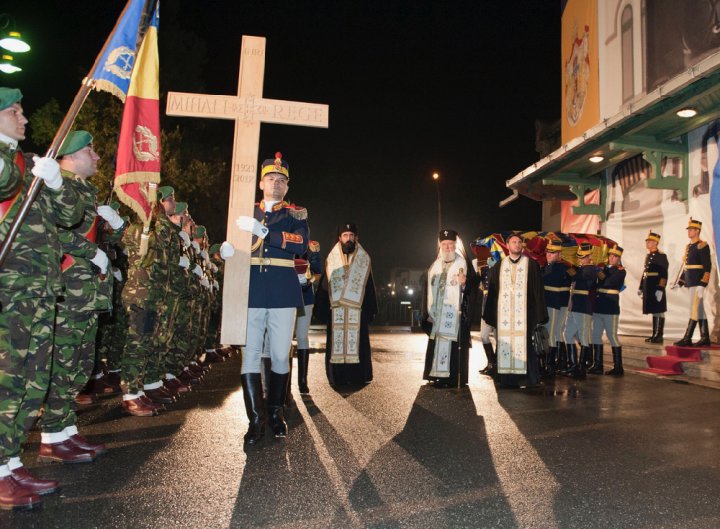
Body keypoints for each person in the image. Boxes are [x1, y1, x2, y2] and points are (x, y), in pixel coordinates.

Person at [0, 88, 82, 509]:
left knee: (32, 381)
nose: (24, 117)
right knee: (7, 377)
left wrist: (52, 180)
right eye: (14, 111)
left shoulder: (26, 164)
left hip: (39, 288)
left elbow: (69, 216)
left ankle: (10, 459)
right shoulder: (7, 163)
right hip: (10, 290)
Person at [39, 131, 124, 464]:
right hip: (68, 288)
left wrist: (115, 226)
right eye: (90, 150)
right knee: (63, 363)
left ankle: (65, 430)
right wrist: (91, 253)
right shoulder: (56, 186)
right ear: (71, 156)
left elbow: (102, 233)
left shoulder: (85, 191)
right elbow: (56, 231)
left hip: (87, 291)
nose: (97, 156)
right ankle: (51, 436)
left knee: (80, 365)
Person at [234, 152, 308, 444]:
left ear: (287, 187)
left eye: (281, 181)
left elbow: (300, 243)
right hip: (251, 290)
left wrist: (264, 232)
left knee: (279, 354)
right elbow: (229, 238)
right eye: (270, 179)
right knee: (249, 355)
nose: (275, 184)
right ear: (261, 182)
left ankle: (275, 414)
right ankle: (255, 421)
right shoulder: (245, 211)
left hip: (281, 290)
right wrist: (223, 250)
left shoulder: (295, 214)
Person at [314, 223, 378, 387]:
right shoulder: (332, 258)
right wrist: (320, 307)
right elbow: (324, 285)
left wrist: (370, 309)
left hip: (358, 311)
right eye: (345, 235)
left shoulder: (364, 258)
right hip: (336, 311)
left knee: (358, 344)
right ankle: (337, 377)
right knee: (336, 343)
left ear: (356, 238)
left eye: (351, 235)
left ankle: (357, 377)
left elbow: (369, 285)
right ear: (339, 238)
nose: (348, 238)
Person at [483, 232, 547, 388]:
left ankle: (525, 379)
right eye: (514, 242)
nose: (517, 245)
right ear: (508, 245)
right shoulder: (499, 266)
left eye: (519, 242)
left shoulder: (531, 265)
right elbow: (493, 292)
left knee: (525, 346)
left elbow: (538, 291)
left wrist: (539, 315)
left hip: (525, 316)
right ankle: (506, 380)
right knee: (504, 344)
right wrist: (490, 314)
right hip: (504, 317)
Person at [423, 229, 479, 388]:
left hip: (455, 312)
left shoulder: (463, 263)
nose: (447, 247)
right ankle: (436, 375)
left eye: (450, 244)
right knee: (437, 343)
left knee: (453, 346)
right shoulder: (435, 265)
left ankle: (452, 378)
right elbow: (428, 287)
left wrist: (464, 283)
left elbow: (473, 286)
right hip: (438, 312)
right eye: (444, 244)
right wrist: (428, 310)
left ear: (455, 245)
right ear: (440, 245)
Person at [673, 218, 713, 347]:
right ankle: (705, 337)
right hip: (691, 281)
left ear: (697, 231)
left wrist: (703, 284)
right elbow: (687, 268)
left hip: (697, 282)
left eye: (691, 229)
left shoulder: (702, 245)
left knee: (694, 310)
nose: (689, 231)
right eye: (688, 229)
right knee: (699, 309)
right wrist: (680, 282)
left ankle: (687, 337)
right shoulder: (689, 246)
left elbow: (707, 266)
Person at [562, 243, 598, 379]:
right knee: (568, 334)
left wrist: (572, 269)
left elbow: (584, 278)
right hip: (574, 305)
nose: (581, 260)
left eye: (583, 257)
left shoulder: (591, 269)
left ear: (589, 256)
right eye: (580, 257)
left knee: (584, 336)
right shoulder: (580, 269)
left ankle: (581, 367)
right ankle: (573, 365)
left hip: (583, 306)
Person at [592, 246, 627, 376]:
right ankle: (597, 365)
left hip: (610, 307)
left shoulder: (620, 271)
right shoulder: (603, 268)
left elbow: (608, 282)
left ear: (619, 259)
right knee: (595, 335)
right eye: (610, 255)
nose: (612, 258)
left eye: (615, 256)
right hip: (599, 305)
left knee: (612, 336)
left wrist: (599, 272)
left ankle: (618, 367)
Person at [294, 240, 322, 394]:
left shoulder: (311, 247)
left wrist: (309, 280)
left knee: (302, 336)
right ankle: (285, 385)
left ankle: (302, 381)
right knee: (283, 339)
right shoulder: (284, 243)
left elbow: (317, 272)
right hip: (287, 296)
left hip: (305, 297)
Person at [542, 241, 572, 376]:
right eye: (548, 251)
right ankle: (561, 361)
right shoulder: (566, 267)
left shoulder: (554, 267)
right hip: (561, 303)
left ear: (559, 254)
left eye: (552, 252)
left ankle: (550, 364)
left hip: (553, 303)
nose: (548, 254)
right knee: (558, 332)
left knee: (551, 333)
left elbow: (544, 278)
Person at [639, 231, 668, 343]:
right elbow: (645, 272)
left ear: (656, 243)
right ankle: (654, 334)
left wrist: (660, 288)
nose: (647, 243)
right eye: (647, 241)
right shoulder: (649, 256)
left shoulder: (661, 256)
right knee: (654, 310)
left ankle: (659, 335)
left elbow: (663, 273)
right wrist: (641, 287)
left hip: (656, 286)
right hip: (649, 286)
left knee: (659, 310)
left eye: (650, 241)